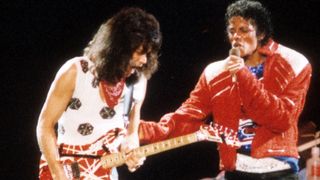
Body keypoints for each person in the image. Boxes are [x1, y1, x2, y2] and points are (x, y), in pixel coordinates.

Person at [138, 0, 312, 179]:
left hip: (279, 169)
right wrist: (140, 131)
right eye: (232, 31)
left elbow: (281, 119)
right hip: (236, 170)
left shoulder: (294, 62)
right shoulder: (215, 72)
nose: (236, 36)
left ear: (261, 33)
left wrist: (243, 75)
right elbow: (186, 118)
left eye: (244, 30)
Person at [36, 7, 162, 179]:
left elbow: (131, 132)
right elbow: (44, 125)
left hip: (106, 172)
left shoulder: (139, 82)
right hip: (66, 169)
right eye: (140, 52)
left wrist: (132, 148)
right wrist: (58, 174)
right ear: (119, 48)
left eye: (148, 53)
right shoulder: (76, 71)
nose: (144, 60)